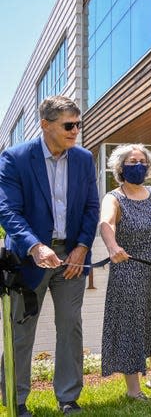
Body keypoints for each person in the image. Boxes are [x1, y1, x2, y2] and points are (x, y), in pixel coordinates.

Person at [0, 96, 100, 416]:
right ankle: (15, 400)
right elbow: (7, 210)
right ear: (46, 125)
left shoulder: (84, 159)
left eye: (77, 124)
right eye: (68, 125)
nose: (75, 131)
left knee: (70, 325)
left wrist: (82, 246)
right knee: (21, 327)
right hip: (30, 259)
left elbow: (91, 207)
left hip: (72, 257)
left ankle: (68, 398)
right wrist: (35, 246)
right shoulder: (15, 158)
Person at [99, 144, 151, 400]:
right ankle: (133, 389)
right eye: (133, 161)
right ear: (121, 167)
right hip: (129, 270)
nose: (139, 165)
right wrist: (112, 247)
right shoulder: (114, 197)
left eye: (143, 161)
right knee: (130, 326)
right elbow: (106, 223)